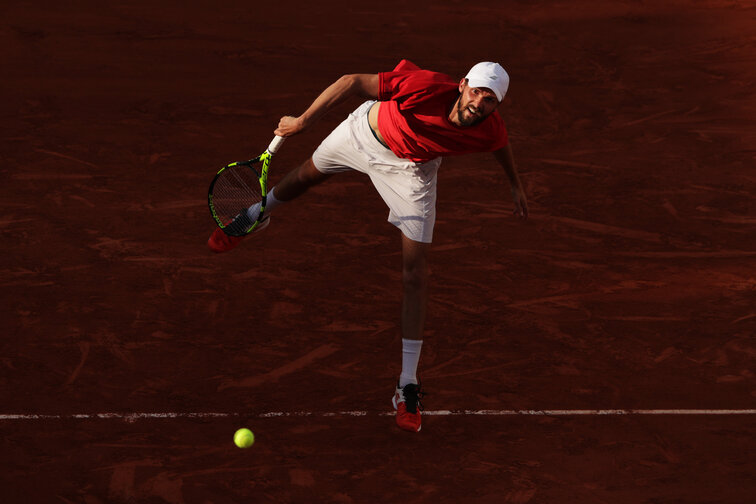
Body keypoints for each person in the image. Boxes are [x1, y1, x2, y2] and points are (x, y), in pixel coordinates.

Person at [208, 60, 528, 433]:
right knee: (306, 176)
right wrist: (303, 122)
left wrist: (514, 184)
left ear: (495, 106)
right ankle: (256, 213)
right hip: (363, 134)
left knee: (415, 273)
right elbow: (351, 81)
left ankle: (407, 384)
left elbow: (500, 145)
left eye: (490, 99)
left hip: (410, 172)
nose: (480, 102)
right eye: (477, 91)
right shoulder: (425, 87)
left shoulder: (489, 128)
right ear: (462, 86)